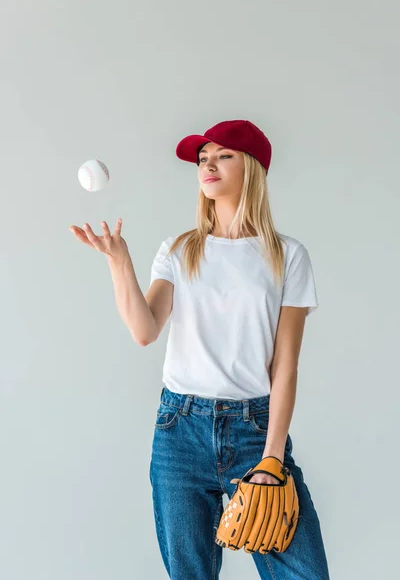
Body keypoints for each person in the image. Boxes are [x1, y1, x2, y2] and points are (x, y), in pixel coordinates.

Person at [69, 119, 330, 579]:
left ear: (251, 168)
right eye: (202, 159)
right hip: (179, 430)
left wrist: (272, 458)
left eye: (222, 156)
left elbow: (285, 367)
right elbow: (145, 329)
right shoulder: (179, 248)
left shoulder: (288, 255)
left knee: (304, 573)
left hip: (255, 430)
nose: (208, 165)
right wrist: (119, 261)